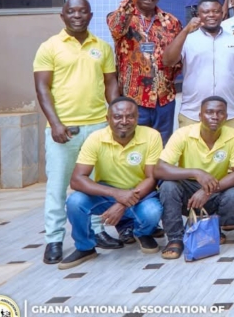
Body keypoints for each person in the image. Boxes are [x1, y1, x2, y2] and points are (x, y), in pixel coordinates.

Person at [34, 0, 119, 264]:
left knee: (96, 184)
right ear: (63, 16)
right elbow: (42, 88)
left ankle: (97, 231)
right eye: (71, 11)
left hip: (98, 127)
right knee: (58, 185)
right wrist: (55, 123)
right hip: (64, 129)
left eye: (82, 11)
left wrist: (113, 115)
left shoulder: (102, 47)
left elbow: (111, 83)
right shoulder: (49, 47)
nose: (77, 16)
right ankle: (54, 240)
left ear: (90, 15)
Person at [59, 98, 163, 269]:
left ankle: (142, 233)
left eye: (130, 116)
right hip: (107, 194)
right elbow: (77, 179)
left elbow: (151, 178)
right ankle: (85, 247)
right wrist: (116, 194)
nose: (124, 121)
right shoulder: (96, 138)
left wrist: (122, 203)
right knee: (75, 202)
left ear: (137, 118)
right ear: (108, 119)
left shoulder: (152, 136)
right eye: (118, 117)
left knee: (152, 212)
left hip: (141, 194)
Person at [155, 96, 234, 259]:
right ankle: (175, 238)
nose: (214, 116)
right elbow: (160, 168)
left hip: (216, 188)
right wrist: (196, 172)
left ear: (226, 116)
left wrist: (207, 191)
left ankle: (212, 227)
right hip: (188, 189)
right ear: (200, 115)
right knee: (168, 186)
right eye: (209, 112)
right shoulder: (183, 134)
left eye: (220, 113)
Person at [107, 0, 182, 144]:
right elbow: (116, 28)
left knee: (162, 148)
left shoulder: (171, 22)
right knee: (134, 147)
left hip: (164, 100)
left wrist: (167, 79)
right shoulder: (123, 18)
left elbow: (179, 57)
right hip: (133, 101)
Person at [162, 0, 234, 132]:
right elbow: (168, 61)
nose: (211, 15)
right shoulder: (187, 40)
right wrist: (186, 30)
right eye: (206, 12)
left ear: (222, 14)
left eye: (216, 11)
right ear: (198, 15)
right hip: (192, 114)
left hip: (230, 115)